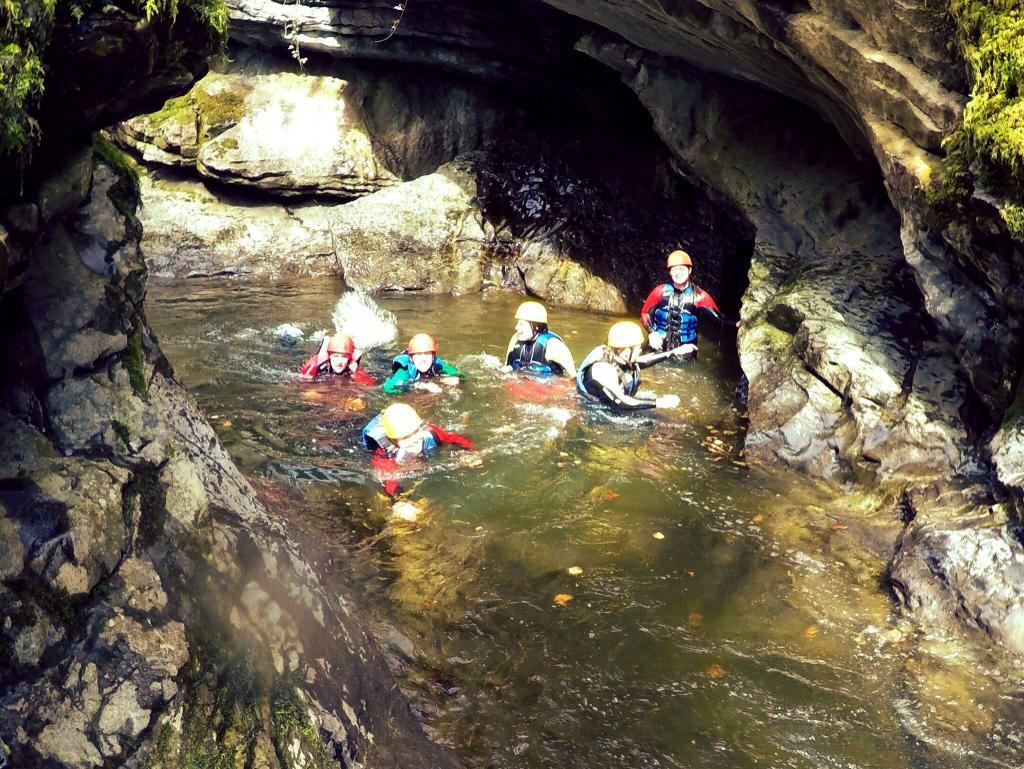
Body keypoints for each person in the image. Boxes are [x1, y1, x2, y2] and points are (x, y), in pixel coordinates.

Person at [576, 321, 695, 411]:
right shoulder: (603, 370)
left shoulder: (618, 354)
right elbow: (621, 402)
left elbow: (641, 361)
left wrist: (673, 352)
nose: (640, 351)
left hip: (614, 402)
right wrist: (658, 403)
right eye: (638, 348)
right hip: (594, 411)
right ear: (627, 351)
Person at [362, 403, 475, 494]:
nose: (414, 440)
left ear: (420, 427)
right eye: (405, 437)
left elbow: (453, 438)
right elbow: (390, 483)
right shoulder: (385, 456)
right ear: (393, 441)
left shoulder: (431, 433)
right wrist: (401, 502)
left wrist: (471, 452)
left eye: (415, 432)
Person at [640, 249, 738, 354]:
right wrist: (652, 332)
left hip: (685, 350)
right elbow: (645, 313)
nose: (678, 273)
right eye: (674, 270)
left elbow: (719, 320)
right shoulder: (659, 291)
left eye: (681, 269)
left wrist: (738, 324)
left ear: (689, 270)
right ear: (670, 272)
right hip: (657, 345)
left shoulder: (700, 296)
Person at [503, 301, 576, 378]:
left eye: (521, 324)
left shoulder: (553, 345)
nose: (516, 327)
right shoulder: (515, 339)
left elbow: (574, 377)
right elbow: (506, 367)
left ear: (536, 327)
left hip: (548, 385)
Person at [381, 333, 462, 394]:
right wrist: (419, 386)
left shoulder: (439, 365)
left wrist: (454, 378)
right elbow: (387, 388)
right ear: (411, 358)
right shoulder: (404, 372)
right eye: (418, 354)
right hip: (382, 367)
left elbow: (460, 374)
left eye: (427, 353)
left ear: (433, 356)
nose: (423, 359)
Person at [298, 333, 375, 384]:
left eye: (344, 357)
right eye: (336, 356)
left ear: (349, 358)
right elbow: (303, 386)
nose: (339, 362)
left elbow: (368, 385)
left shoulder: (352, 367)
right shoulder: (316, 365)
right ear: (330, 355)